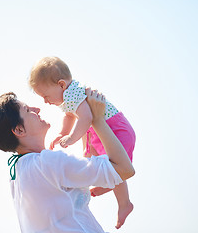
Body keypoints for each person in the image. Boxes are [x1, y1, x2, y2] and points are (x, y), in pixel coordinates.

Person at [0, 89, 135, 233]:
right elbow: (124, 169)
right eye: (27, 110)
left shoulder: (18, 174)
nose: (36, 109)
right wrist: (97, 119)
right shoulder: (46, 163)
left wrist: (86, 129)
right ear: (19, 130)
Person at [29, 56, 136, 229]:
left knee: (114, 163)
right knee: (93, 156)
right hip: (103, 129)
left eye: (46, 95)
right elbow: (70, 115)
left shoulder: (72, 93)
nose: (45, 101)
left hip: (115, 128)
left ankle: (124, 203)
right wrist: (63, 132)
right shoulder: (68, 96)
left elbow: (85, 117)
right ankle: (107, 184)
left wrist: (71, 138)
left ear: (61, 85)